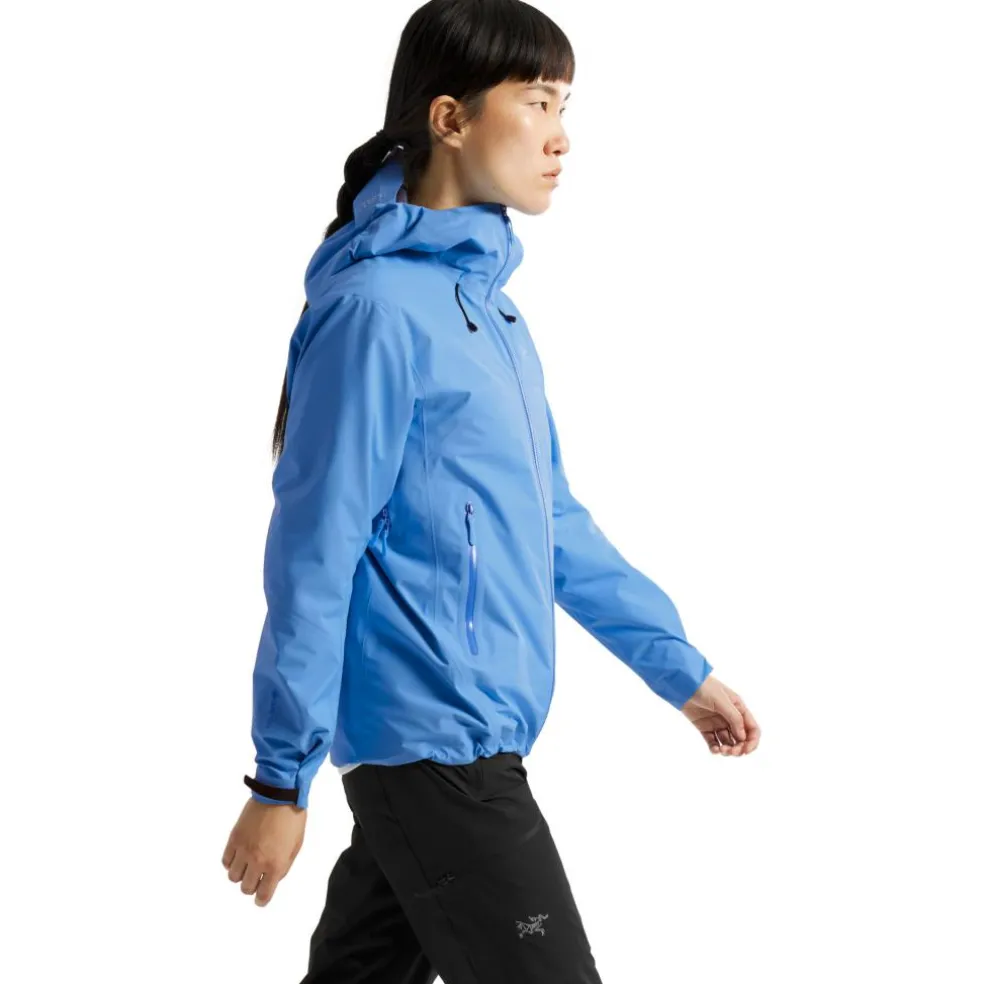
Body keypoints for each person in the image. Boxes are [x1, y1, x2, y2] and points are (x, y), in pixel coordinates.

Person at [221, 1, 761, 980]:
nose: (562, 136)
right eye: (538, 100)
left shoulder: (490, 317)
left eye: (566, 105)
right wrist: (278, 779)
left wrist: (679, 670)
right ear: (451, 119)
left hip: (463, 741)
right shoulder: (376, 313)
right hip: (434, 746)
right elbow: (315, 552)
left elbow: (554, 527)